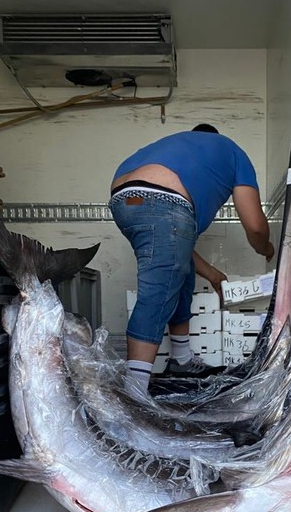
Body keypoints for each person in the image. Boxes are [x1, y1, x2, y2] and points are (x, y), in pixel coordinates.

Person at [109, 123, 275, 389]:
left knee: (179, 272)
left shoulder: (174, 148)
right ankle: (135, 391)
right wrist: (266, 248)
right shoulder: (231, 151)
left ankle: (182, 359)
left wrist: (213, 275)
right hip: (160, 198)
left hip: (125, 200)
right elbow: (255, 226)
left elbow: (175, 244)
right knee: (158, 292)